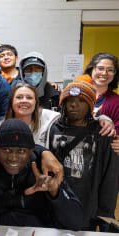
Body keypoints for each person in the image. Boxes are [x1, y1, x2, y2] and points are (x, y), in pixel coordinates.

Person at [0, 119, 82, 230]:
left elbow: (75, 224)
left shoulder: (46, 170)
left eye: (21, 150)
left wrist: (56, 192)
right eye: (6, 149)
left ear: (31, 150)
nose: (13, 157)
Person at [47, 81, 119, 230]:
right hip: (57, 199)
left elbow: (110, 175)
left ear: (91, 105)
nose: (74, 105)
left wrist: (105, 212)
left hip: (87, 203)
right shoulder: (53, 128)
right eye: (69, 101)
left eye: (81, 101)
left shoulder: (103, 133)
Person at [0, 83, 115, 146]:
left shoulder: (49, 117)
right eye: (19, 97)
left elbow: (79, 117)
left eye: (29, 97)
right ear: (12, 102)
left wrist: (103, 118)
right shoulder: (0, 128)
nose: (24, 100)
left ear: (36, 102)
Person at [75, 53, 119, 133]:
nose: (104, 73)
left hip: (102, 144)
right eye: (100, 68)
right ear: (91, 69)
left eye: (110, 70)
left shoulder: (117, 101)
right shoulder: (75, 94)